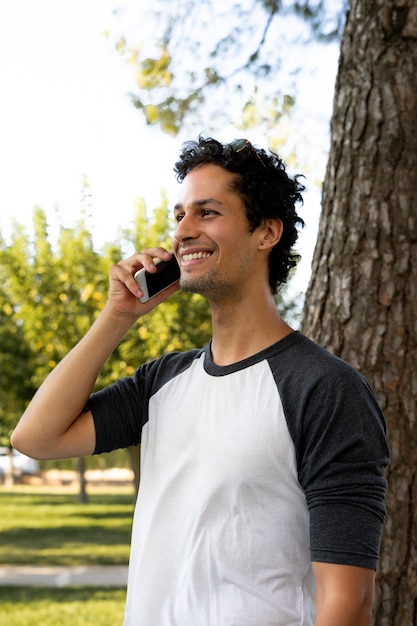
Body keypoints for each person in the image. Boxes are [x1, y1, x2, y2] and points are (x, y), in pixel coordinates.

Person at [11, 136, 389, 626]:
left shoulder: (323, 388)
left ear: (266, 232)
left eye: (207, 213)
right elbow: (35, 437)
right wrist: (118, 315)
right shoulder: (162, 380)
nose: (183, 231)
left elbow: (347, 600)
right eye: (179, 216)